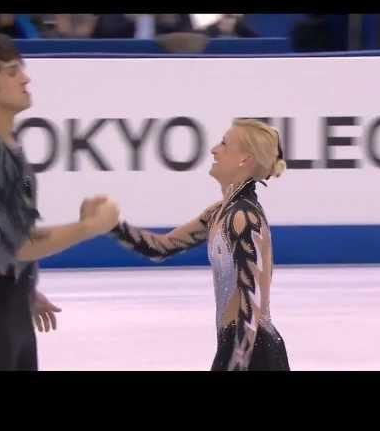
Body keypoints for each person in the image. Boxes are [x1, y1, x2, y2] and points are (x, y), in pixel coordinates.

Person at [0, 31, 119, 371]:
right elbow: (18, 244)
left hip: (9, 305)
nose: (25, 78)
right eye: (11, 72)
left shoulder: (9, 147)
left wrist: (24, 287)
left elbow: (10, 231)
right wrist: (89, 228)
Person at [108, 119, 290, 370]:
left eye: (225, 144)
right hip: (237, 347)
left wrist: (236, 362)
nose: (214, 150)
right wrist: (113, 226)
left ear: (245, 160)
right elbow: (162, 247)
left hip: (252, 352)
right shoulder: (219, 213)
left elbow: (252, 305)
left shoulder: (243, 218)